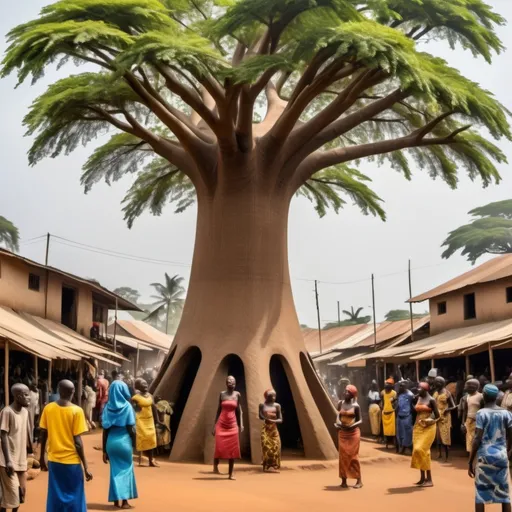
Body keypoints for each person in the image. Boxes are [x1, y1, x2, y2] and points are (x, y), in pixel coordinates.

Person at [39, 380, 93, 512]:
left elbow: (43, 434)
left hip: (54, 461)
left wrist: (41, 457)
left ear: (58, 390)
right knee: (75, 495)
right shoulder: (77, 411)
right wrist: (85, 465)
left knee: (55, 495)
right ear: (73, 392)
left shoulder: (48, 408)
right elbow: (78, 442)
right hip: (72, 462)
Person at [468, 384, 512, 512]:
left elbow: (477, 439)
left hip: (485, 457)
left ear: (484, 396)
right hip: (502, 456)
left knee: (481, 494)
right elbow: (511, 436)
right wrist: (508, 451)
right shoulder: (506, 413)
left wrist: (471, 460)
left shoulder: (481, 413)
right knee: (504, 495)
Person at [102, 381, 138, 510]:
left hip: (111, 442)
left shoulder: (107, 407)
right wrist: (135, 444)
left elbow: (105, 431)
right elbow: (131, 428)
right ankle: (125, 501)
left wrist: (104, 451)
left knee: (114, 471)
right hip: (124, 442)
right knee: (126, 471)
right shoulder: (127, 407)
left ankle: (116, 500)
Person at [0, 384, 33, 512]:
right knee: (12, 496)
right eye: (25, 395)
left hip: (21, 461)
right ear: (17, 396)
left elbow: (25, 434)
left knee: (20, 495)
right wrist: (8, 460)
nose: (29, 397)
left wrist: (30, 452)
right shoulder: (7, 412)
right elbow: (3, 436)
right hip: (7, 460)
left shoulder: (25, 412)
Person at [212, 376, 244, 480]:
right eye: (229, 381)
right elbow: (218, 409)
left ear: (235, 383)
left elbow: (239, 410)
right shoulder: (222, 394)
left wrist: (241, 424)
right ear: (226, 383)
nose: (231, 382)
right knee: (219, 446)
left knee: (233, 449)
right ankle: (215, 466)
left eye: (233, 381)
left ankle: (231, 473)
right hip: (221, 423)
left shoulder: (237, 394)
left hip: (232, 424)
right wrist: (214, 425)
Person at [411, 382, 440, 487]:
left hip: (428, 427)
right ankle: (423, 478)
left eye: (419, 389)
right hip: (418, 427)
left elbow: (437, 415)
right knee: (417, 451)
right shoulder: (419, 398)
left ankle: (430, 480)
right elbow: (416, 411)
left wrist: (428, 420)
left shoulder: (431, 400)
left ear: (425, 389)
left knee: (422, 450)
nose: (418, 390)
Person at [335, 384, 362, 489]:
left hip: (353, 433)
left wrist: (352, 425)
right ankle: (343, 480)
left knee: (353, 456)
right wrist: (337, 423)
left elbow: (360, 420)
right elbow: (338, 415)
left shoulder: (356, 406)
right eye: (345, 391)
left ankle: (359, 480)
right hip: (342, 433)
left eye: (348, 392)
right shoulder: (340, 403)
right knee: (343, 457)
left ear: (352, 395)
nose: (345, 393)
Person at [132, 378, 159, 467]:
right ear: (138, 386)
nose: (146, 385)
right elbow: (133, 409)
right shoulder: (135, 397)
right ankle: (140, 459)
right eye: (143, 384)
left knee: (151, 439)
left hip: (150, 421)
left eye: (146, 383)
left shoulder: (150, 396)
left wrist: (157, 420)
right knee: (141, 439)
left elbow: (154, 408)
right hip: (140, 421)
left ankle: (151, 460)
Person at [258, 389, 282, 472]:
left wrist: (273, 420)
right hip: (266, 429)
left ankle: (273, 466)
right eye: (271, 396)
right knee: (266, 447)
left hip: (274, 429)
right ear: (266, 397)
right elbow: (260, 416)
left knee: (276, 446)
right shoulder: (262, 405)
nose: (273, 397)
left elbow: (280, 419)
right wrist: (265, 416)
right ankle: (266, 465)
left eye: (274, 395)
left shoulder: (277, 406)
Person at [433, 376, 456, 461]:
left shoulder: (447, 393)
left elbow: (454, 406)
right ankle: (439, 453)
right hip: (437, 417)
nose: (435, 384)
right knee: (438, 437)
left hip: (445, 418)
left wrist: (447, 410)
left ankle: (446, 455)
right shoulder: (435, 393)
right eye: (435, 382)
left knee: (445, 437)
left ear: (441, 383)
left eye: (437, 382)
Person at [462, 378, 484, 454]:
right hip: (469, 421)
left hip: (478, 421)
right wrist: (463, 423)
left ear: (474, 387)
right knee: (469, 440)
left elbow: (483, 410)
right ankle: (471, 458)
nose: (465, 387)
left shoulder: (481, 396)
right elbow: (465, 411)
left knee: (477, 440)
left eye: (467, 386)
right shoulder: (467, 397)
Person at [395, 380, 414, 455]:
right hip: (399, 416)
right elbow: (398, 406)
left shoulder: (410, 395)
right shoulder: (399, 394)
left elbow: (413, 406)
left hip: (407, 417)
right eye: (400, 386)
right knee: (400, 433)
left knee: (408, 434)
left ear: (406, 386)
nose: (400, 387)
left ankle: (407, 449)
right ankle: (402, 448)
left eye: (402, 386)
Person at [381, 378, 397, 449]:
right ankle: (386, 441)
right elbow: (382, 401)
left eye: (388, 384)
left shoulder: (394, 393)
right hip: (385, 412)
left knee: (393, 429)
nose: (387, 385)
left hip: (391, 413)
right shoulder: (383, 392)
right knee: (385, 429)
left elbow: (396, 403)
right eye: (386, 384)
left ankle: (393, 442)